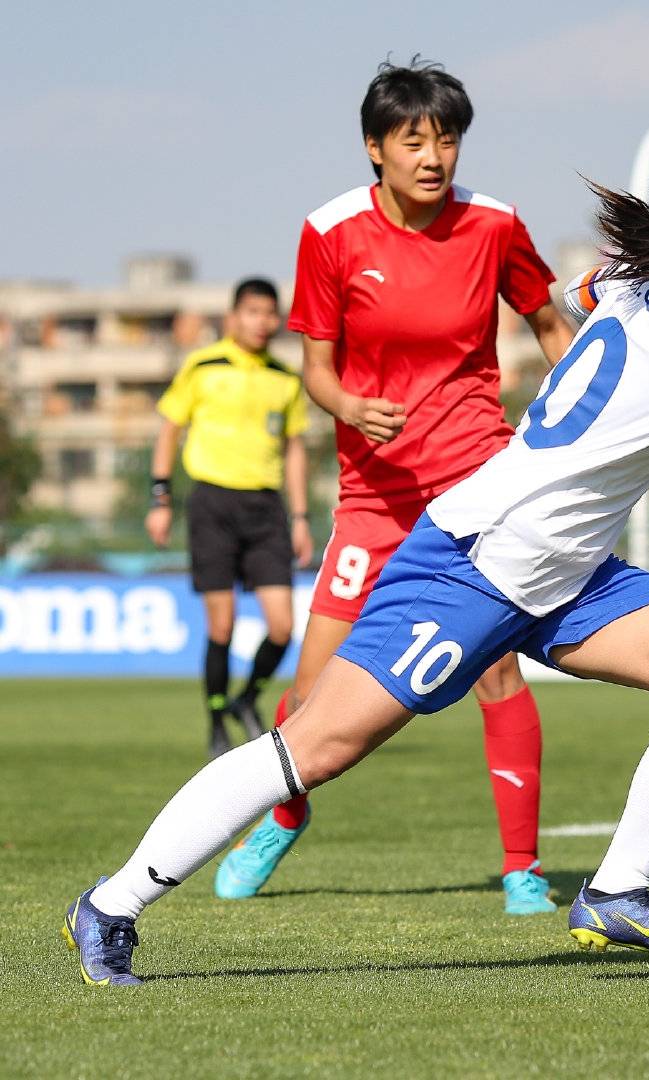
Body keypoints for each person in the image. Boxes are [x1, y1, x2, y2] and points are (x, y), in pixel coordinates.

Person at [62, 117, 649, 984]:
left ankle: (616, 890)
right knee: (314, 748)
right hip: (478, 561)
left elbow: (579, 301)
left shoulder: (645, 272)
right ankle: (109, 904)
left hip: (564, 570)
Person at [210, 60, 575, 917]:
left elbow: (551, 323)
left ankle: (521, 868)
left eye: (447, 137)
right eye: (414, 139)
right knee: (310, 695)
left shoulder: (494, 225)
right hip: (374, 497)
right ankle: (284, 814)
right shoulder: (331, 232)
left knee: (497, 671)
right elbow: (317, 370)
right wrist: (351, 408)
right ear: (374, 147)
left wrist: (588, 412)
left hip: (478, 484)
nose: (434, 155)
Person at [146, 278, 314, 759]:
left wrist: (300, 516)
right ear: (233, 315)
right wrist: (160, 499)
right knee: (220, 626)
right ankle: (216, 718)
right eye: (253, 312)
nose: (263, 322)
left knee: (282, 626)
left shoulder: (284, 377)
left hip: (266, 509)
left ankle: (246, 698)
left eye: (270, 313)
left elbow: (295, 448)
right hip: (211, 505)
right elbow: (168, 430)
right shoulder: (203, 366)